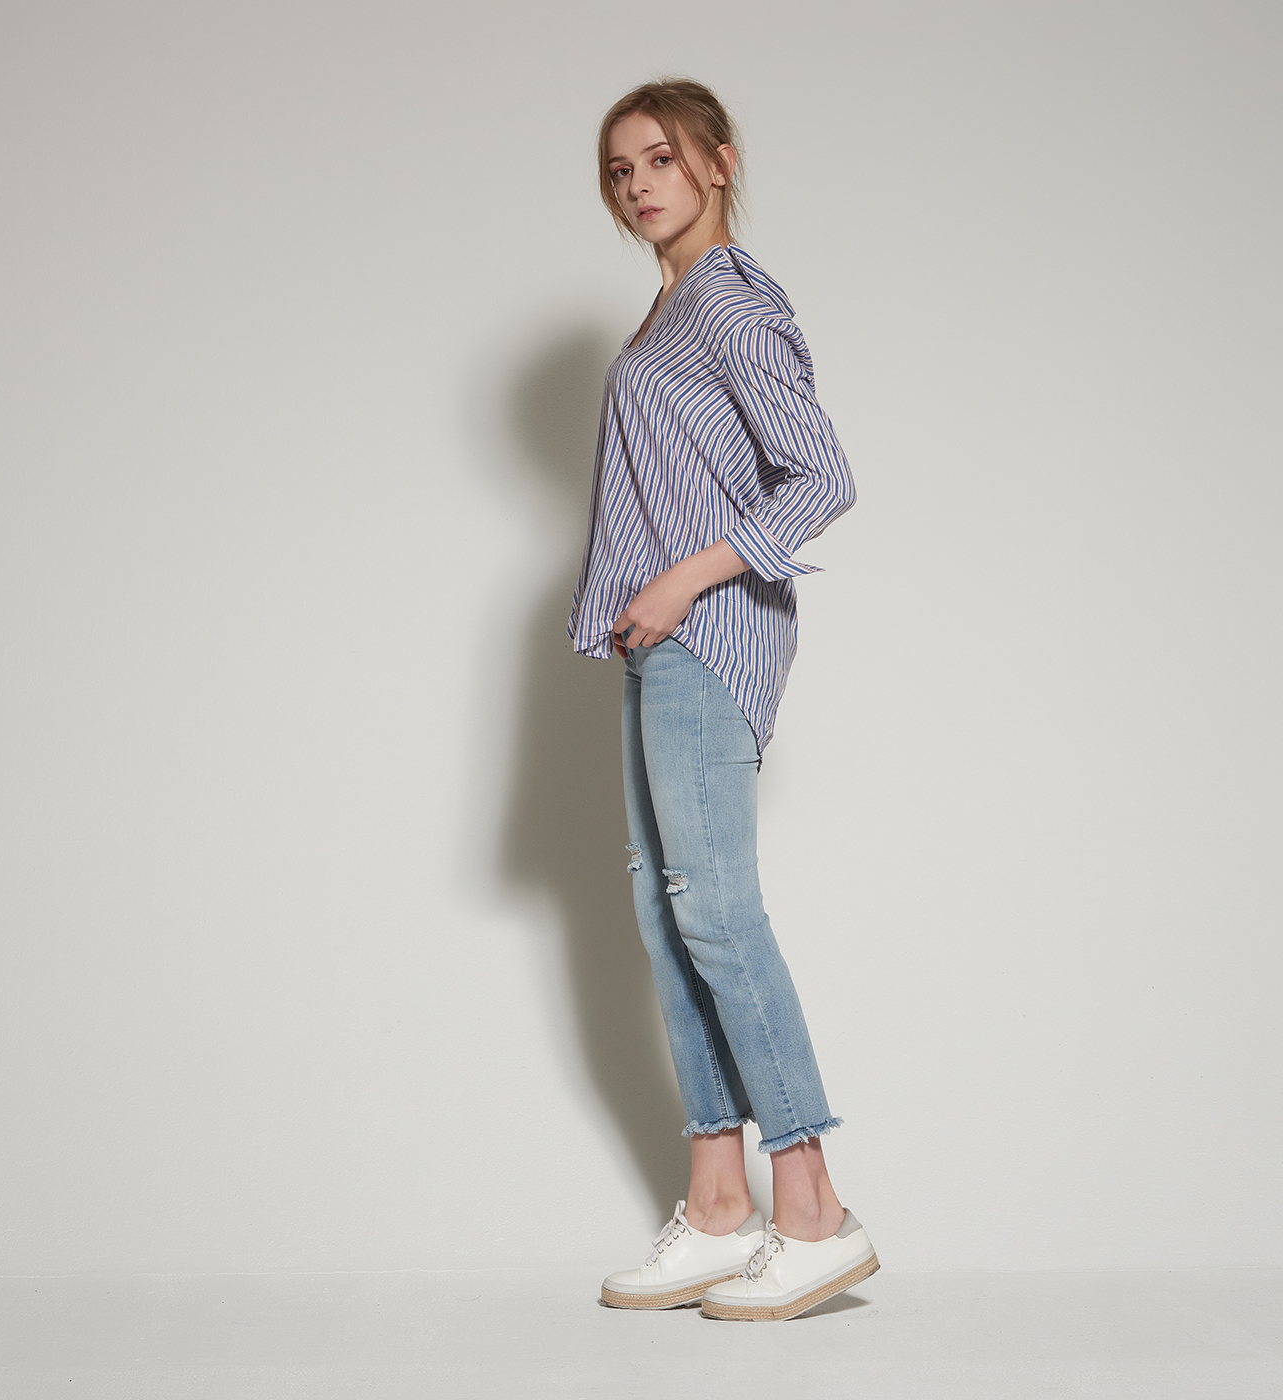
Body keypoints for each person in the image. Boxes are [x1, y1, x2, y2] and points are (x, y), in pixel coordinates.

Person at [567, 78, 879, 1323]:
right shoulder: (668, 308)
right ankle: (714, 1207)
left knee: (717, 914)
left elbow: (822, 474)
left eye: (659, 158)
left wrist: (684, 575)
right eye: (619, 169)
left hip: (706, 631)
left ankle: (810, 1210)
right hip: (661, 635)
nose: (639, 184)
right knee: (665, 910)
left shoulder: (729, 298)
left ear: (717, 160)